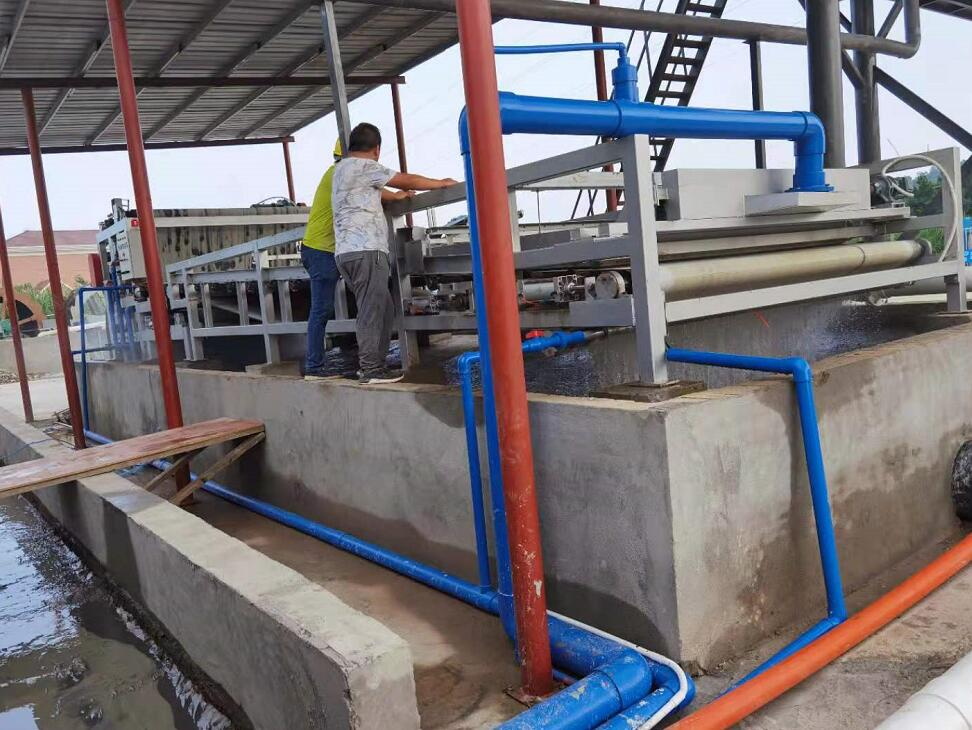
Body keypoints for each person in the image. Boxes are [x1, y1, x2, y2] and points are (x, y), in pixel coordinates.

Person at [332, 122, 457, 384]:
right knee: (372, 310)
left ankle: (374, 365)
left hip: (346, 253)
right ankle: (371, 370)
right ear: (376, 149)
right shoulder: (366, 166)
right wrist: (440, 184)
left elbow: (374, 193)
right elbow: (406, 179)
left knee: (384, 309)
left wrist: (395, 197)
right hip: (366, 250)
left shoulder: (342, 169)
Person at [301, 138, 343, 379]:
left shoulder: (333, 173)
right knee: (321, 310)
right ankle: (314, 368)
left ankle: (315, 366)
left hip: (320, 249)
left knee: (322, 310)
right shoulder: (340, 175)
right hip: (321, 251)